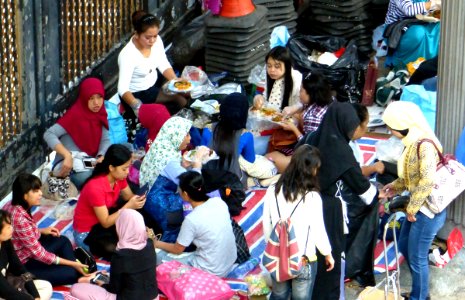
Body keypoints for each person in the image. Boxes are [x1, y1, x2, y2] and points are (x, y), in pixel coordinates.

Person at [303, 102, 379, 300]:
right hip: (328, 210)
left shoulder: (310, 137)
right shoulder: (343, 152)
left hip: (300, 202)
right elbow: (365, 192)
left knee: (305, 253)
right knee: (329, 259)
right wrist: (381, 194)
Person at [381, 101, 445, 300]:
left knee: (417, 257)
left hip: (427, 211)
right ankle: (420, 292)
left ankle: (420, 297)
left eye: (391, 126)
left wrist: (412, 209)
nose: (390, 131)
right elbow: (412, 177)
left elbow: (427, 181)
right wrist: (394, 186)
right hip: (418, 206)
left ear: (402, 126)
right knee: (405, 243)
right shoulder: (412, 142)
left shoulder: (423, 145)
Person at [262, 145, 334, 300]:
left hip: (279, 256)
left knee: (279, 295)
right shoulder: (312, 197)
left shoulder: (273, 190)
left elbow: (266, 224)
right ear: (311, 170)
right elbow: (318, 230)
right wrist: (327, 253)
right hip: (303, 259)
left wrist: (273, 245)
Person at [4, 174, 87, 286]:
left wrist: (40, 231)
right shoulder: (19, 218)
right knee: (71, 273)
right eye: (35, 191)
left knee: (62, 240)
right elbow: (40, 254)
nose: (41, 193)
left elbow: (22, 234)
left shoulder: (13, 204)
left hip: (28, 250)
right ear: (25, 196)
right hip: (24, 263)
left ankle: (75, 267)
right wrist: (72, 264)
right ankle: (77, 270)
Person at [154, 171, 237, 277]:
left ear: (185, 194)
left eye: (179, 189)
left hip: (212, 271)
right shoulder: (219, 202)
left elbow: (177, 249)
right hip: (229, 262)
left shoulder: (191, 220)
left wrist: (156, 243)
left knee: (158, 255)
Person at [140, 116, 209, 243]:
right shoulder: (169, 160)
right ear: (175, 135)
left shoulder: (162, 147)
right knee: (201, 195)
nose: (190, 138)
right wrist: (198, 162)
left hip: (150, 198)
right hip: (162, 204)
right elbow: (191, 184)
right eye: (186, 134)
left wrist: (184, 165)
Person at [73, 144, 146, 259]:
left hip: (106, 219)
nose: (127, 172)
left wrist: (138, 199)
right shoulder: (95, 187)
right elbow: (106, 222)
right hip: (88, 232)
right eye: (124, 168)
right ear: (111, 167)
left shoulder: (118, 177)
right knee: (116, 249)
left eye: (128, 167)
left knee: (140, 214)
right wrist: (129, 206)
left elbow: (128, 197)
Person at [70, 209, 158, 300]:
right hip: (154, 297)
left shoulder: (120, 255)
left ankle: (92, 279)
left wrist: (102, 284)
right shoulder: (150, 244)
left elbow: (114, 289)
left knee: (76, 288)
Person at [43, 77, 110, 190]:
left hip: (89, 162)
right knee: (91, 180)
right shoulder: (76, 115)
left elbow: (105, 140)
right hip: (68, 166)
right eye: (91, 98)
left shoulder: (100, 113)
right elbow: (49, 134)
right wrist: (66, 155)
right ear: (84, 98)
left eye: (99, 97)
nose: (96, 103)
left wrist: (101, 155)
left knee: (122, 154)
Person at [118, 10, 187, 119]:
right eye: (148, 37)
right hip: (138, 94)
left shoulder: (157, 41)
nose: (152, 41)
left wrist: (175, 81)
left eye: (155, 36)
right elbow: (122, 89)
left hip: (154, 84)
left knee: (184, 96)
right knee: (179, 101)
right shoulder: (127, 55)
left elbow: (162, 62)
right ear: (136, 34)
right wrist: (136, 105)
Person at [266, 72, 333, 173]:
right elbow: (302, 105)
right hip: (325, 146)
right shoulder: (327, 101)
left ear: (311, 94)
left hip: (315, 157)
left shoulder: (313, 117)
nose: (299, 93)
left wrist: (294, 128)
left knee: (269, 158)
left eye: (301, 90)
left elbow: (309, 146)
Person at [198, 93, 258, 184]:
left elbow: (201, 152)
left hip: (207, 180)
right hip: (232, 184)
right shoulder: (246, 135)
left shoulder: (207, 129)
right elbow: (251, 159)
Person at [0, 209, 53, 300]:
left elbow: (20, 269)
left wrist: (36, 296)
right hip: (3, 292)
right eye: (8, 227)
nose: (12, 229)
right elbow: (6, 291)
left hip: (8, 287)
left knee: (45, 286)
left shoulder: (6, 242)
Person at [384, 0, 441, 68]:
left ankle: (430, 64)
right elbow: (409, 10)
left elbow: (428, 12)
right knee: (418, 33)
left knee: (440, 28)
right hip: (398, 29)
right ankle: (405, 67)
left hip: (421, 22)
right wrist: (434, 3)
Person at [253, 46, 303, 112]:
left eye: (277, 66)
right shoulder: (269, 76)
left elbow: (302, 103)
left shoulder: (295, 77)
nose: (272, 70)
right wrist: (258, 98)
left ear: (287, 65)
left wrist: (294, 108)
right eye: (269, 66)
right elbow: (265, 97)